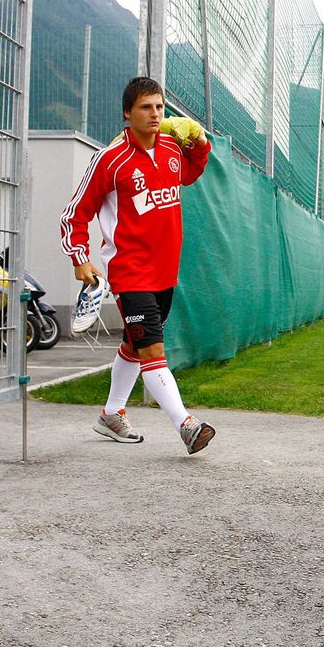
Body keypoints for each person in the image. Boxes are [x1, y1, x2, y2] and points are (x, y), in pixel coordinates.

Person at [59, 77, 215, 452]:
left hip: (165, 271)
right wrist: (80, 259)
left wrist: (199, 143)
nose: (156, 114)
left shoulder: (170, 149)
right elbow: (75, 215)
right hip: (129, 271)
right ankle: (186, 425)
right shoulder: (110, 160)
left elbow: (190, 173)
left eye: (160, 106)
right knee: (152, 351)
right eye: (146, 107)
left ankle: (111, 414)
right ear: (128, 113)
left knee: (134, 344)